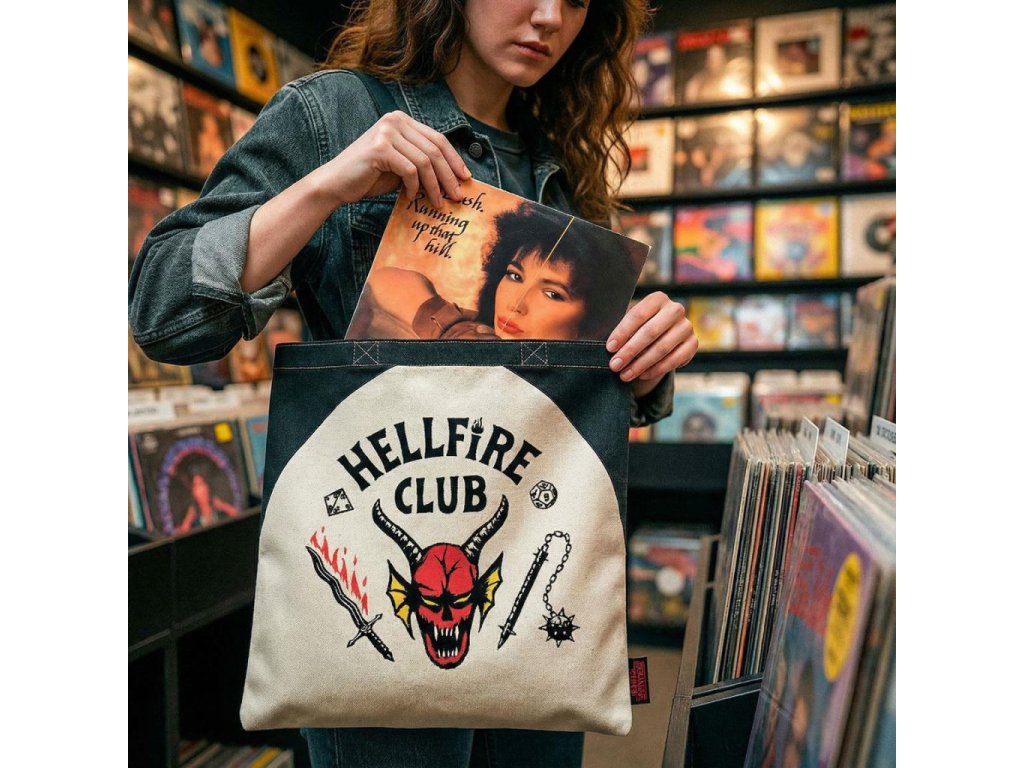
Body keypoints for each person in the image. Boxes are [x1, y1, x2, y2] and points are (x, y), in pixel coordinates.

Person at [129, 1, 698, 765]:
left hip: (532, 587)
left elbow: (565, 412)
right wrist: (326, 186)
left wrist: (644, 356)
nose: (549, 17)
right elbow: (165, 312)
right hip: (380, 584)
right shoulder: (336, 114)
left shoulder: (558, 157)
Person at [354, 199, 647, 340]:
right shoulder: (471, 330)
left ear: (592, 320)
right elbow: (386, 281)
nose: (516, 304)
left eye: (552, 293)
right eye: (514, 276)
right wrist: (451, 330)